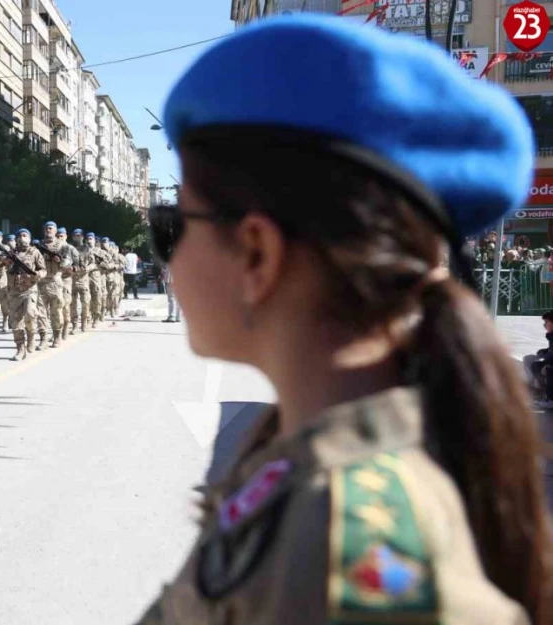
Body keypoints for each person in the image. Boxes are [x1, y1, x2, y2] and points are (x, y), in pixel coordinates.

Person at [138, 14, 551, 625]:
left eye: (174, 226)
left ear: (257, 253)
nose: (167, 256)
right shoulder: (304, 463)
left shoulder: (350, 553)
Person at [2, 228, 46, 361]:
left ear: (30, 238)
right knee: (16, 322)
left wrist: (37, 274)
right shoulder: (11, 254)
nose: (22, 238)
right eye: (20, 236)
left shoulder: (35, 252)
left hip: (30, 289)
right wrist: (5, 262)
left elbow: (43, 270)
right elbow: (1, 265)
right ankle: (20, 348)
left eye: (25, 235)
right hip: (14, 291)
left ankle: (31, 336)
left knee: (30, 314)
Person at [37, 222, 73, 347]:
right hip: (40, 282)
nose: (48, 230)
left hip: (55, 281)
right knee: (40, 312)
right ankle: (43, 338)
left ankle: (57, 336)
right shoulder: (38, 245)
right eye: (46, 228)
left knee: (56, 311)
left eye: (51, 228)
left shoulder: (63, 245)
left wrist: (60, 261)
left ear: (56, 230)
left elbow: (68, 262)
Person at [521, 311, 553, 409]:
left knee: (542, 367)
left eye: (546, 322)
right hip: (550, 357)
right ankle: (534, 389)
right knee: (528, 359)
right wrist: (544, 351)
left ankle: (550, 399)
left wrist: (546, 363)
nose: (544, 325)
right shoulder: (551, 335)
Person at [70, 229, 95, 333]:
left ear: (82, 237)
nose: (78, 237)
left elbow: (93, 263)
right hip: (71, 280)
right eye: (75, 235)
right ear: (72, 237)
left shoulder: (87, 249)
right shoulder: (68, 248)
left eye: (79, 235)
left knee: (85, 302)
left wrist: (88, 268)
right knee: (72, 304)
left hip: (83, 280)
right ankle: (75, 324)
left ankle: (84, 322)